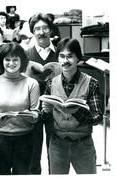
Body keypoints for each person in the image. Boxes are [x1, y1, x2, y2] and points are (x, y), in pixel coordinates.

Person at [42, 38, 102, 174]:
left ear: (78, 59)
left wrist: (77, 112)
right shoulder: (51, 83)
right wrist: (45, 112)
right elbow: (44, 117)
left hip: (83, 144)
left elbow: (97, 117)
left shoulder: (92, 83)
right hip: (57, 144)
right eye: (62, 56)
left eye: (70, 56)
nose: (65, 61)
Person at [0, 42, 40, 175]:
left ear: (22, 61)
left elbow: (35, 115)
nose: (11, 63)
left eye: (15, 59)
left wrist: (31, 116)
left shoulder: (31, 84)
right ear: (1, 61)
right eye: (7, 59)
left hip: (25, 139)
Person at [25, 12, 58, 174]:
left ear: (51, 30)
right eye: (37, 28)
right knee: (32, 153)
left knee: (55, 152)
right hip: (33, 109)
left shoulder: (61, 53)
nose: (41, 32)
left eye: (45, 27)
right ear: (32, 32)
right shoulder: (25, 55)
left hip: (56, 109)